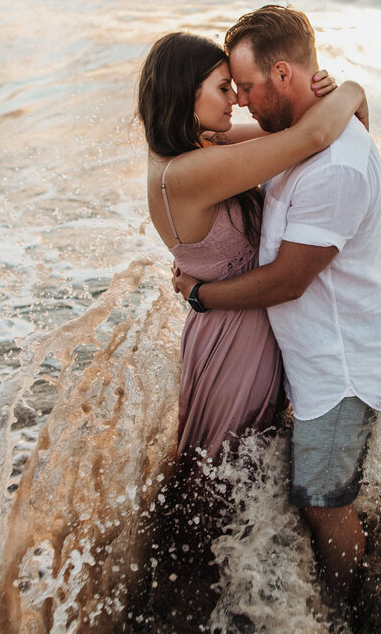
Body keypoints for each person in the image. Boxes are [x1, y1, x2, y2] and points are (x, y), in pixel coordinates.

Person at [171, 5, 381, 606]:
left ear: (281, 74)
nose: (241, 100)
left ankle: (348, 608)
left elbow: (287, 281)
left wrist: (201, 294)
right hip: (313, 358)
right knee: (307, 494)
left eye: (244, 86)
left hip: (340, 370)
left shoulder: (335, 167)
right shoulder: (293, 140)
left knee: (325, 505)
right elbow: (230, 142)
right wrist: (352, 92)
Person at [137, 31, 366, 466]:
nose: (235, 101)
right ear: (187, 95)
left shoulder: (197, 147)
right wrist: (355, 90)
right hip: (233, 341)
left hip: (235, 327)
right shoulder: (191, 172)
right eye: (224, 89)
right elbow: (312, 136)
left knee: (238, 477)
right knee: (220, 486)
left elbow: (288, 128)